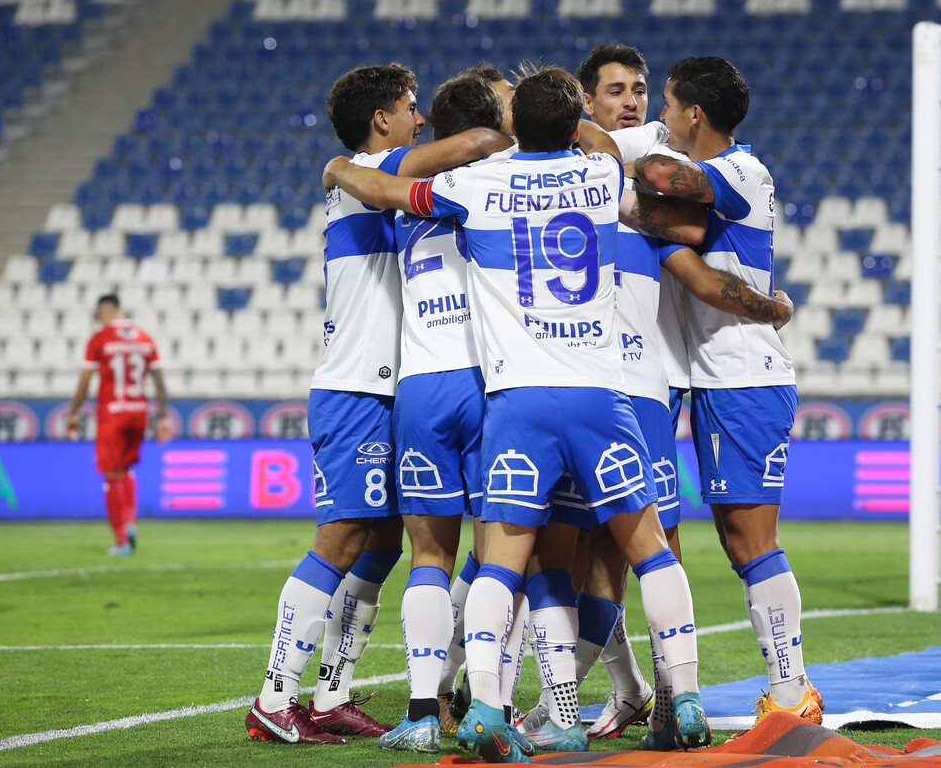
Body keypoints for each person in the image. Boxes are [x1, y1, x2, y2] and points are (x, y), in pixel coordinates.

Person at [322, 65, 711, 762]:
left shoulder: (476, 186)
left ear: (512, 128)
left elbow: (387, 189)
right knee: (646, 548)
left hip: (517, 402)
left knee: (497, 562)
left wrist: (340, 169)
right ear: (573, 126)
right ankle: (682, 695)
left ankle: (486, 710)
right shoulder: (598, 176)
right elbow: (644, 192)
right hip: (601, 396)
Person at [245, 63, 511, 747]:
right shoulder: (368, 171)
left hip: (393, 388)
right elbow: (471, 143)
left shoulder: (374, 183)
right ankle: (276, 695)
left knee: (385, 543)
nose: (419, 118)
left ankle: (332, 693)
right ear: (381, 123)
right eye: (410, 108)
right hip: (356, 387)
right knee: (340, 539)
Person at [633, 57, 821, 726]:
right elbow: (679, 229)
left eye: (667, 105)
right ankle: (776, 690)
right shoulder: (717, 191)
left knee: (749, 543)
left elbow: (657, 181)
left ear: (693, 115)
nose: (657, 117)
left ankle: (794, 692)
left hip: (743, 377)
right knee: (737, 541)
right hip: (720, 378)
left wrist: (607, 151)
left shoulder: (741, 171)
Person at [377, 70, 509, 754]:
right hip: (491, 386)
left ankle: (423, 711)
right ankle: (493, 700)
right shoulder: (504, 188)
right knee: (500, 554)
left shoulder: (406, 201)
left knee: (428, 553)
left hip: (422, 385)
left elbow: (380, 178)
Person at [65, 293, 169, 556]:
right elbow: (158, 381)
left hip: (112, 413)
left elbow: (86, 380)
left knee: (111, 474)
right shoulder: (145, 338)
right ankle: (131, 522)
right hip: (138, 413)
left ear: (102, 312)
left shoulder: (99, 339)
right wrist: (164, 417)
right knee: (125, 469)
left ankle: (122, 539)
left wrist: (73, 412)